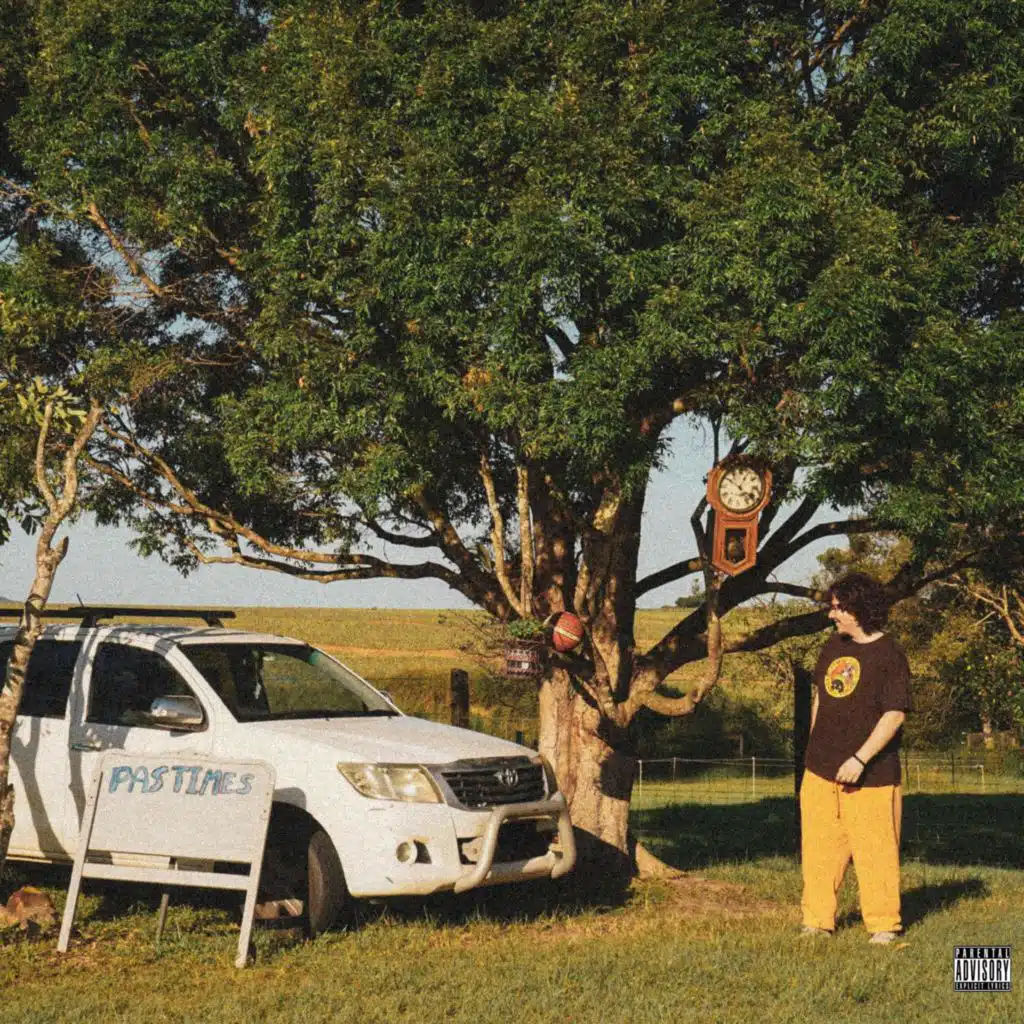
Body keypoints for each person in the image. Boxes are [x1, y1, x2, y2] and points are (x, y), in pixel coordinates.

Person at [799, 572, 913, 945]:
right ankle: (816, 921)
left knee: (876, 852)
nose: (831, 615)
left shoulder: (889, 655)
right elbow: (820, 697)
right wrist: (814, 748)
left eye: (838, 608)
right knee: (819, 850)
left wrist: (860, 760)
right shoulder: (833, 646)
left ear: (859, 609)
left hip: (871, 774)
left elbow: (894, 715)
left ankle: (883, 926)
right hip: (820, 770)